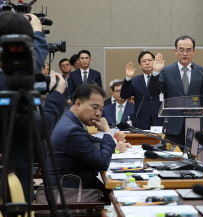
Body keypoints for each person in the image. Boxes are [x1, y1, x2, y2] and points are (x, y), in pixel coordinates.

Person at [0, 11, 67, 195]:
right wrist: (56, 96)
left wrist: (37, 37)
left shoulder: (14, 77)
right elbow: (38, 128)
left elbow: (30, 64)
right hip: (12, 193)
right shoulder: (8, 85)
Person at [48, 83, 127, 191]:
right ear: (78, 104)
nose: (98, 113)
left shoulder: (69, 120)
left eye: (101, 109)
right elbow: (103, 163)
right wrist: (107, 131)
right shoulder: (72, 130)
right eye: (94, 108)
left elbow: (91, 141)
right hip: (71, 194)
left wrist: (114, 144)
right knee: (122, 190)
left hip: (72, 187)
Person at [153, 35, 203, 146]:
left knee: (194, 160)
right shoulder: (166, 71)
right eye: (181, 50)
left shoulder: (201, 71)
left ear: (193, 52)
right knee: (173, 160)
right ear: (175, 51)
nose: (185, 54)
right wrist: (155, 73)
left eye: (188, 50)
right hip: (173, 125)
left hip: (195, 124)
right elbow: (154, 92)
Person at [121, 50, 164, 129]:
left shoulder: (163, 78)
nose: (147, 63)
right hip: (141, 120)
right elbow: (124, 95)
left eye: (150, 60)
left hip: (160, 119)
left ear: (154, 62)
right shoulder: (135, 80)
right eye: (144, 61)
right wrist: (128, 78)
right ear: (140, 65)